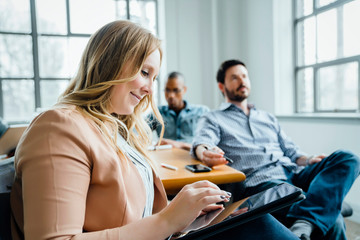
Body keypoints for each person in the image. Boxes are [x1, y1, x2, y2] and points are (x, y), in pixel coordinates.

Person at [10, 22, 299, 240]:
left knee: (252, 221)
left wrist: (186, 213)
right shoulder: (58, 127)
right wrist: (168, 220)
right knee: (258, 228)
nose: (150, 89)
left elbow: (136, 214)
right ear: (110, 63)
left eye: (154, 76)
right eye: (144, 72)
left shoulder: (115, 129)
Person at [191, 59, 360, 240]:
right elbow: (202, 142)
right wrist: (205, 151)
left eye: (244, 76)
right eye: (234, 78)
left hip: (295, 172)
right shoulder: (213, 118)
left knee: (348, 159)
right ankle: (321, 206)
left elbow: (292, 151)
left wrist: (308, 159)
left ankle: (313, 209)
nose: (242, 81)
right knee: (334, 221)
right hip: (264, 183)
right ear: (221, 86)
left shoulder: (267, 117)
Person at [149, 72, 209, 151]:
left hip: (192, 158)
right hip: (165, 159)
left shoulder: (201, 112)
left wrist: (179, 145)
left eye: (176, 90)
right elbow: (138, 131)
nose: (171, 95)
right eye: (167, 90)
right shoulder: (158, 113)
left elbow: (208, 144)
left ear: (184, 90)